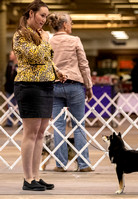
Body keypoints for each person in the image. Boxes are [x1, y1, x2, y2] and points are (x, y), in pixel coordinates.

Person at [12, 0, 66, 191]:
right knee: (31, 133)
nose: (45, 19)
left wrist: (56, 71)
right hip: (29, 86)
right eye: (42, 15)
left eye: (45, 16)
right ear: (31, 14)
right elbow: (34, 56)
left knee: (41, 133)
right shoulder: (20, 35)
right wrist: (45, 41)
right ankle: (27, 179)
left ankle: (36, 176)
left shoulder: (39, 34)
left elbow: (46, 60)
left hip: (45, 86)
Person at [47, 13, 93, 172]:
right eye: (71, 23)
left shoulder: (48, 41)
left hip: (54, 86)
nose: (71, 26)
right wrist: (89, 86)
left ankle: (60, 165)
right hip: (75, 86)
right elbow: (84, 65)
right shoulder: (75, 40)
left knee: (58, 126)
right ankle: (84, 164)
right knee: (79, 125)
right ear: (65, 25)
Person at [4, 51, 18, 127]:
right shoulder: (9, 64)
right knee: (10, 106)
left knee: (18, 106)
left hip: (17, 88)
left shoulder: (19, 65)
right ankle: (9, 122)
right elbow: (6, 75)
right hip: (9, 88)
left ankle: (20, 123)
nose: (9, 56)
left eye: (11, 54)